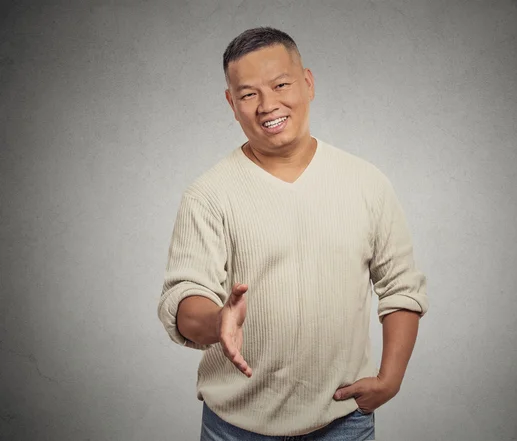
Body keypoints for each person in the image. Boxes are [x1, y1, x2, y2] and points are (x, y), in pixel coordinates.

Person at [158, 26, 429, 441]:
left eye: (280, 84)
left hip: (343, 424)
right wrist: (219, 321)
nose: (268, 105)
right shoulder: (208, 195)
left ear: (308, 83)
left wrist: (390, 379)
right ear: (232, 104)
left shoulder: (366, 182)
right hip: (235, 427)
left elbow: (401, 286)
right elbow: (183, 296)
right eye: (248, 94)